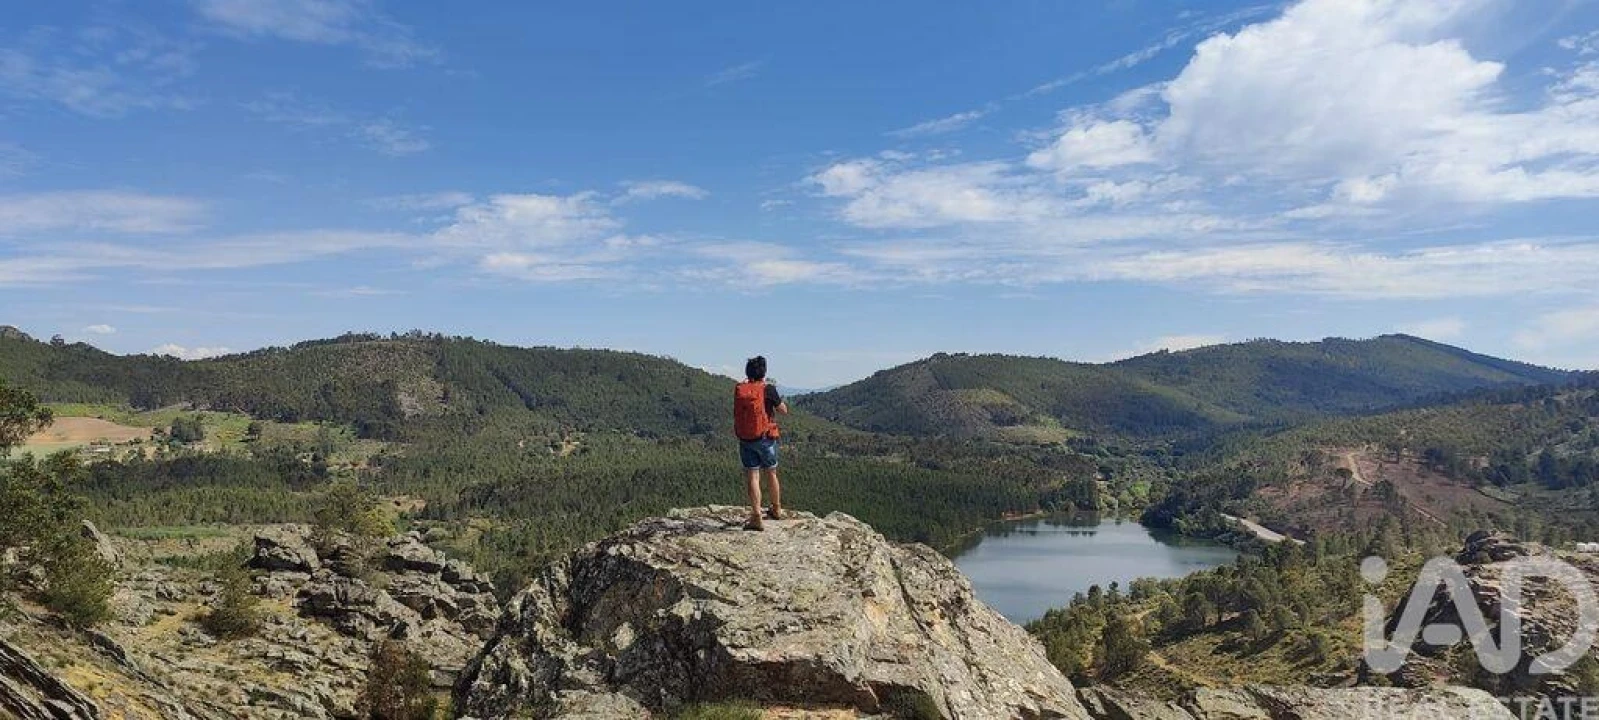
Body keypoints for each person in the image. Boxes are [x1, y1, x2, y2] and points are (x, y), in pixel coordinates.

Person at [733, 355, 788, 530]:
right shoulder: (768, 389)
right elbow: (783, 410)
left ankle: (756, 516)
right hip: (765, 439)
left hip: (746, 438)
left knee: (753, 476)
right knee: (771, 473)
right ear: (764, 372)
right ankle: (776, 509)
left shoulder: (741, 389)